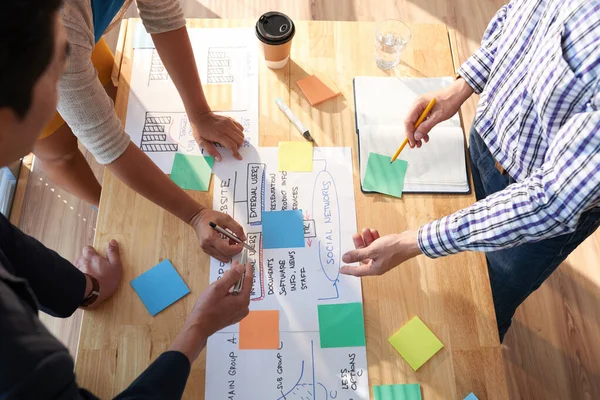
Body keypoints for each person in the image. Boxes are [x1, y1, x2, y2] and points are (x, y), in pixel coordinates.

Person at [0, 1, 253, 398]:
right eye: (55, 79)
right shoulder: (18, 351)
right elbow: (102, 137)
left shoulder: (53, 39)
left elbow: (9, 245)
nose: (62, 102)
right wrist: (198, 328)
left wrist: (82, 288)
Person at [341, 0, 600, 341]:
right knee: (457, 264)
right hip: (486, 136)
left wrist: (411, 242)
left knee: (483, 311)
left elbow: (551, 201)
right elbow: (521, 19)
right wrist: (460, 87)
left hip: (535, 204)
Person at [34, 0, 246, 263]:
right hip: (26, 56)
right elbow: (107, 143)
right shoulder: (59, 33)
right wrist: (195, 215)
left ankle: (121, 195)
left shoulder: (72, 38)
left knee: (112, 94)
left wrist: (200, 113)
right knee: (58, 152)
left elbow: (163, 15)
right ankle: (105, 203)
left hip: (70, 36)